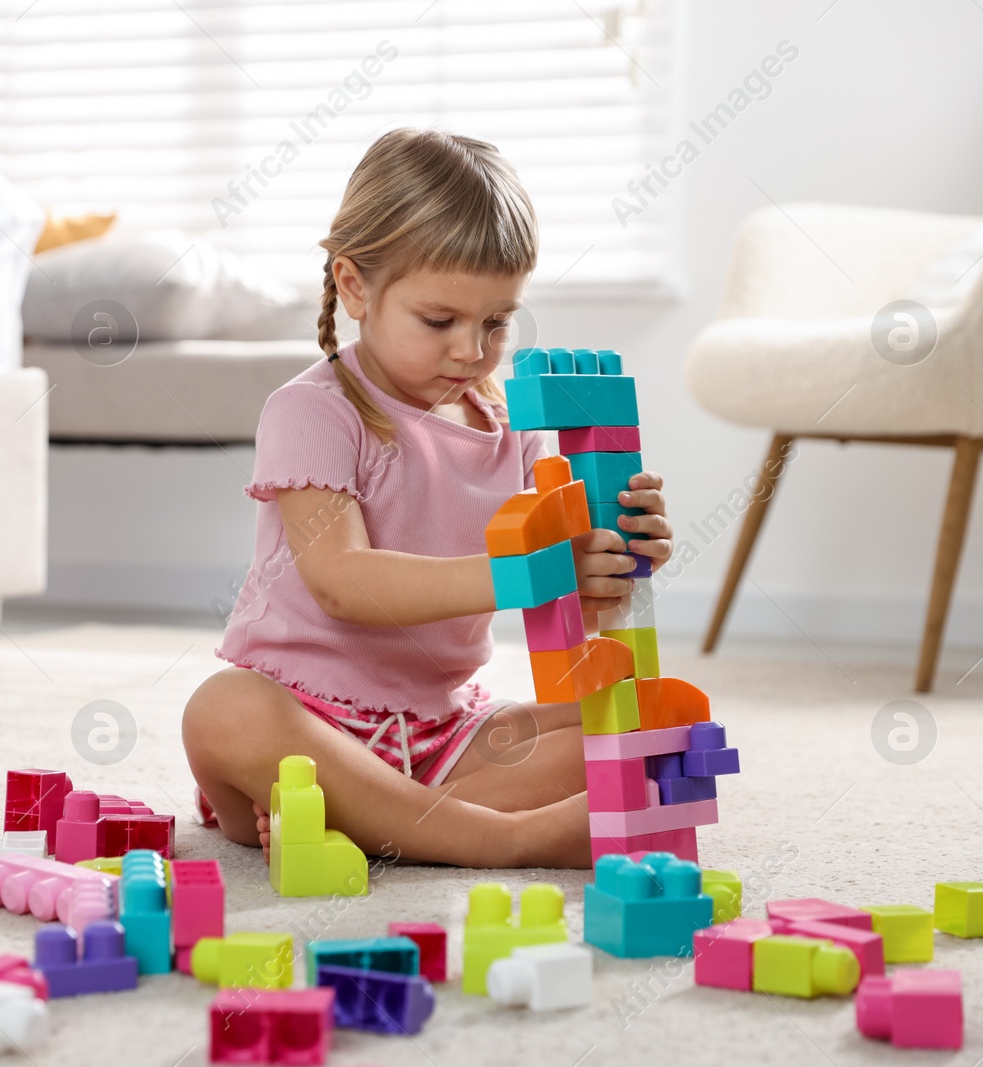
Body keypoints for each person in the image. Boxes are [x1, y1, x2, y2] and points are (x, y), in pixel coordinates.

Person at [181, 128, 672, 870]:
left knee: (644, 726)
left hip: (443, 736)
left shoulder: (514, 431)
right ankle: (504, 839)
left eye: (497, 321)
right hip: (304, 722)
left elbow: (569, 624)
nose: (472, 351)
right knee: (223, 708)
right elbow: (343, 583)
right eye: (439, 321)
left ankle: (383, 823)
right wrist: (529, 569)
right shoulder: (313, 411)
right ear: (355, 287)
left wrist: (610, 565)